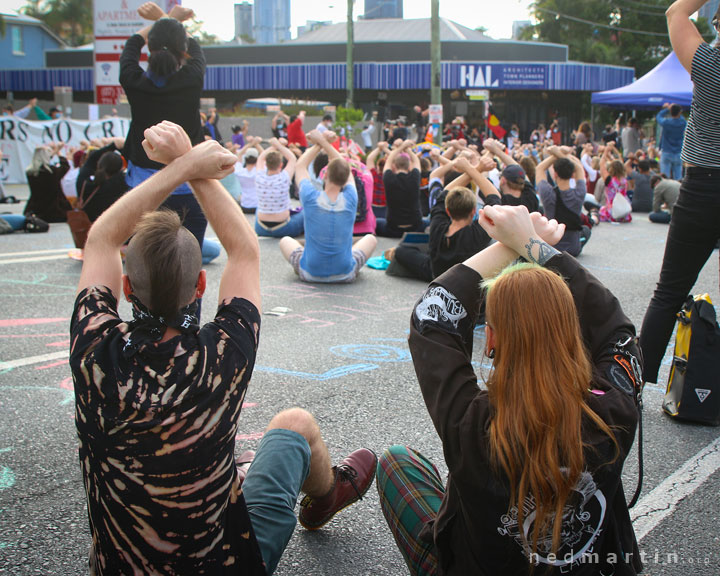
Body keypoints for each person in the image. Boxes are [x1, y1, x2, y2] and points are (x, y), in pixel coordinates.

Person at [69, 121, 377, 576]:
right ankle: (325, 497)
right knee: (294, 424)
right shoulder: (221, 352)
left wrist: (184, 165)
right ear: (200, 285)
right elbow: (244, 251)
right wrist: (191, 165)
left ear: (126, 288)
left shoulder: (95, 350)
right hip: (227, 563)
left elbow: (101, 238)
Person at [377, 203, 643, 576]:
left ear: (492, 342)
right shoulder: (613, 410)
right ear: (573, 332)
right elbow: (618, 333)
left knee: (397, 461)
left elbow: (431, 318)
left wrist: (507, 246)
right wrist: (534, 246)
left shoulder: (472, 422)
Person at [640, 0, 720, 384]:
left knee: (669, 291)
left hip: (704, 184)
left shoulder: (709, 64)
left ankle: (632, 382)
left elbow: (676, 12)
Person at [119, 2, 209, 251]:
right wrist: (170, 22)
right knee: (191, 262)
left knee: (144, 262)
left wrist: (162, 20)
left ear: (150, 48)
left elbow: (131, 45)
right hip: (188, 185)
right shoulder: (192, 78)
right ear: (182, 50)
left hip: (143, 189)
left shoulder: (133, 80)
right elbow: (194, 48)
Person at [279, 130, 377, 283]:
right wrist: (326, 143)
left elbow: (300, 166)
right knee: (370, 239)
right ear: (346, 179)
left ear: (325, 175)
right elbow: (344, 166)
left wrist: (319, 143)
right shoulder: (351, 197)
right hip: (345, 273)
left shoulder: (310, 197)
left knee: (285, 240)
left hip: (310, 272)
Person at [389, 155, 495, 282]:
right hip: (462, 282)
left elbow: (444, 194)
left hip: (435, 274)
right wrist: (474, 169)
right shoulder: (476, 234)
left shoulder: (438, 226)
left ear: (448, 211)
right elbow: (494, 198)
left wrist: (475, 168)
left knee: (402, 251)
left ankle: (394, 253)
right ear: (473, 212)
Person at [535, 146, 590, 255]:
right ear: (572, 174)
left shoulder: (548, 193)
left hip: (551, 247)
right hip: (574, 248)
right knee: (586, 230)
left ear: (555, 174)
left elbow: (539, 168)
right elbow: (578, 167)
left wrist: (555, 154)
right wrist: (562, 154)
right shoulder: (579, 193)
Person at [254, 137, 303, 238]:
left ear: (266, 164)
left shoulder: (259, 177)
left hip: (260, 227)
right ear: (281, 165)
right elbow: (292, 158)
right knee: (305, 212)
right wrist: (279, 145)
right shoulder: (284, 177)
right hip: (284, 227)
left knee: (260, 206)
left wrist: (273, 146)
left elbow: (260, 158)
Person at [376, 140, 424, 237]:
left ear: (394, 166)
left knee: (375, 222)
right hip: (415, 227)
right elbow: (416, 161)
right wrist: (407, 149)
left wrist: (400, 148)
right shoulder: (415, 177)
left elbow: (389, 160)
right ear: (409, 166)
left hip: (392, 228)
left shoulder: (388, 178)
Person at [75, 137, 130, 222]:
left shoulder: (85, 184)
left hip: (89, 231)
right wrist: (124, 149)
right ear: (121, 168)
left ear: (98, 164)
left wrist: (113, 146)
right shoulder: (123, 183)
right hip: (116, 231)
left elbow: (90, 160)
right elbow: (132, 163)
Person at [24, 143, 72, 222]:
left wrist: (54, 152)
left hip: (36, 208)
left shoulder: (30, 173)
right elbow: (65, 166)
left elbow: (42, 160)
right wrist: (59, 154)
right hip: (55, 209)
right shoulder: (52, 172)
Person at [598, 143, 632, 222]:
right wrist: (614, 150)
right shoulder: (624, 180)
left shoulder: (609, 179)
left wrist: (606, 150)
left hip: (612, 211)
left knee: (598, 209)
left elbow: (602, 164)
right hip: (624, 209)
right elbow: (619, 163)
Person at [656, 103, 687, 180]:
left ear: (671, 112)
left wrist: (667, 109)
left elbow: (658, 116)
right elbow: (682, 118)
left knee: (665, 177)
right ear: (680, 112)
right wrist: (675, 110)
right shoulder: (682, 123)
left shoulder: (666, 123)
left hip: (666, 151)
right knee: (678, 177)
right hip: (678, 152)